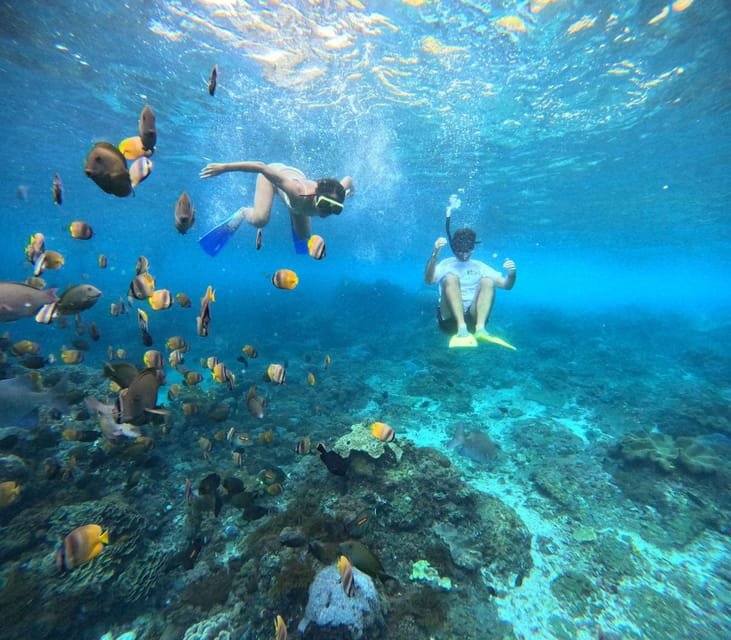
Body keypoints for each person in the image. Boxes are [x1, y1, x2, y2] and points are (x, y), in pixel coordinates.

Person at [198, 161, 355, 256]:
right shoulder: (297, 192)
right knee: (261, 221)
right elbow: (261, 167)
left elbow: (348, 179)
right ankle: (244, 211)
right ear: (316, 195)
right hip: (273, 178)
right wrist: (224, 167)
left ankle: (293, 209)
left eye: (335, 209)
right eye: (324, 205)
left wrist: (351, 190)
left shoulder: (335, 192)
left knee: (305, 236)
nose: (326, 212)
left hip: (296, 187)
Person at [424, 225, 517, 348]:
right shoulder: (446, 264)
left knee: (488, 281)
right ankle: (461, 328)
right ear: (453, 247)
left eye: (467, 251)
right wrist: (435, 253)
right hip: (449, 321)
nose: (463, 256)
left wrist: (512, 274)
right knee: (451, 278)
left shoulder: (479, 266)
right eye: (459, 251)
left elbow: (506, 285)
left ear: (473, 248)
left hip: (474, 320)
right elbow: (429, 280)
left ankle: (481, 329)